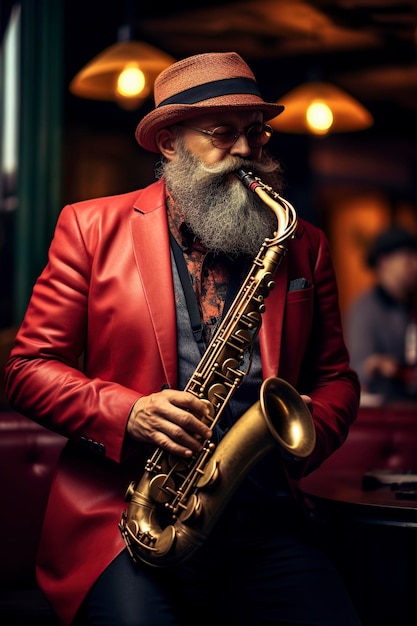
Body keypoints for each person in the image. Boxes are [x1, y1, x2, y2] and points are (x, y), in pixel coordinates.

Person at [4, 52, 362, 626]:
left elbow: (336, 378)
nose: (246, 152)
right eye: (222, 134)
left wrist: (305, 435)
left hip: (263, 522)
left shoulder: (304, 243)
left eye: (255, 133)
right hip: (127, 520)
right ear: (170, 143)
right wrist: (130, 412)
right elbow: (27, 368)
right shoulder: (88, 227)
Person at [346, 226, 417, 401]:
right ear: (384, 262)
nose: (415, 265)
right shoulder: (366, 309)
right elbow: (358, 368)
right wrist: (376, 365)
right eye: (408, 258)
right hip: (386, 409)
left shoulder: (410, 305)